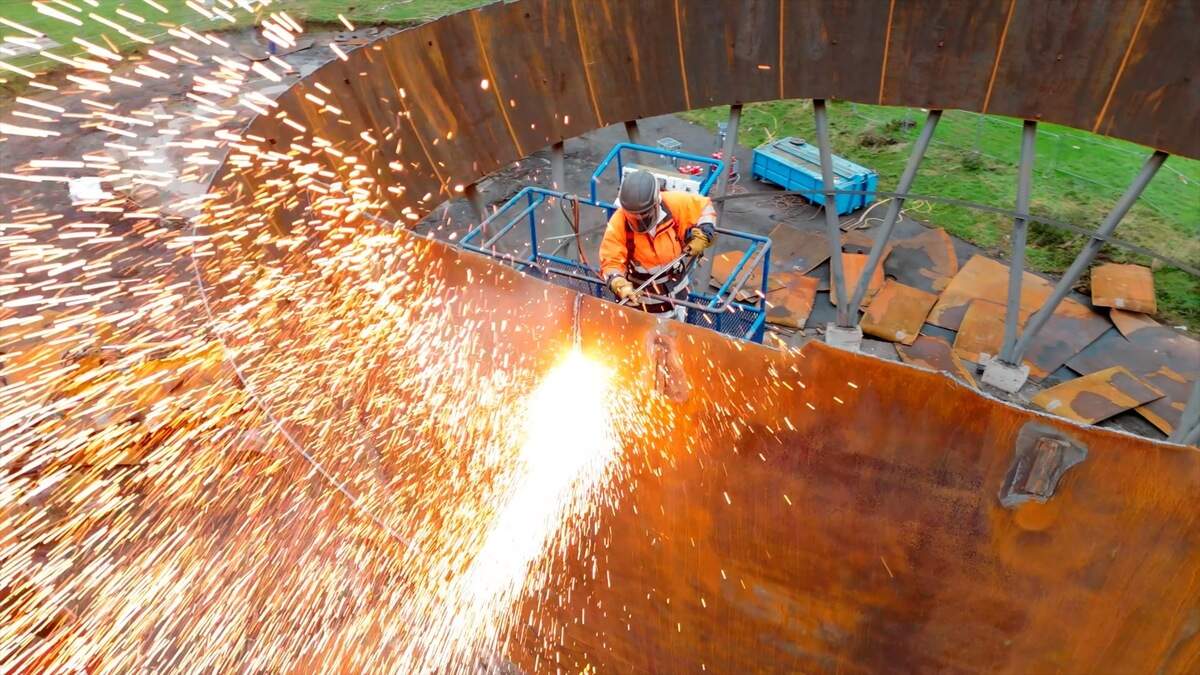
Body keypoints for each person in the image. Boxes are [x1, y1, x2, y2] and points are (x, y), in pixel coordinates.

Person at [599, 170, 717, 318]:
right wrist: (618, 283)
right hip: (640, 305)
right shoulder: (619, 222)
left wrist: (705, 232)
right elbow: (610, 261)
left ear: (656, 204)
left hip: (677, 297)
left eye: (644, 215)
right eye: (634, 217)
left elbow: (705, 207)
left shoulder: (673, 204)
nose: (639, 221)